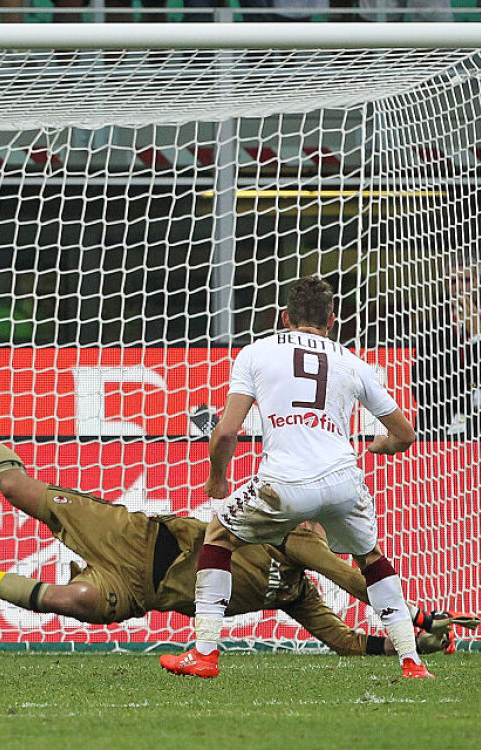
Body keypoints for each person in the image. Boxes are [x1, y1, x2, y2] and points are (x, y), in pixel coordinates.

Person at [0, 396, 477, 657]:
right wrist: (415, 619)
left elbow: (346, 642)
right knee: (15, 489)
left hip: (142, 592)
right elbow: (351, 578)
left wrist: (409, 643)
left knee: (71, 599)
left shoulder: (297, 596)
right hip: (138, 537)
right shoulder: (293, 535)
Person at [161, 276, 428, 680]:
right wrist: (383, 447)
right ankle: (412, 660)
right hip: (342, 480)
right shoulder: (351, 361)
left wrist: (218, 479)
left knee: (218, 536)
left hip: (281, 486)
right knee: (371, 559)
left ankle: (204, 653)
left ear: (284, 317)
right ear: (332, 320)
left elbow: (226, 432)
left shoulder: (256, 353)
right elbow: (405, 434)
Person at [410, 251, 481, 440]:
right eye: (453, 282)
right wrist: (462, 406)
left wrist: (479, 336)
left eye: (465, 280)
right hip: (439, 426)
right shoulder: (430, 329)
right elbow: (421, 384)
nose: (459, 288)